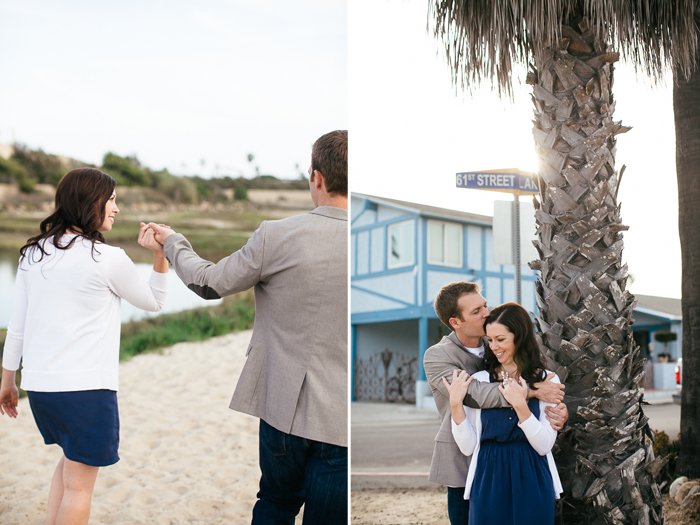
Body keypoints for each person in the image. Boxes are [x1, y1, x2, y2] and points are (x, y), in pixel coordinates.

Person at [145, 130, 348, 524]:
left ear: (316, 176)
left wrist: (173, 243)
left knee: (275, 503)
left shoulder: (277, 234)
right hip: (342, 422)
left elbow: (210, 283)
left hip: (283, 407)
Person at [0, 168, 168, 525]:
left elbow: (18, 327)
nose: (117, 209)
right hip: (85, 391)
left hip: (41, 390)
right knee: (79, 487)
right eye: (111, 201)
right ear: (92, 203)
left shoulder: (33, 253)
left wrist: (7, 381)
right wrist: (160, 253)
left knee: (69, 466)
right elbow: (154, 301)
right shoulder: (107, 258)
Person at [423, 282, 567, 525]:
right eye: (476, 311)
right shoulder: (438, 355)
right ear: (455, 322)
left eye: (485, 306)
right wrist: (531, 391)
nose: (486, 314)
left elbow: (539, 384)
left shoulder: (494, 346)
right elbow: (474, 393)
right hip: (464, 464)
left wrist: (558, 410)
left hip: (524, 463)